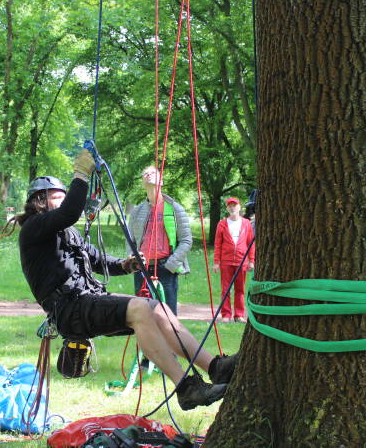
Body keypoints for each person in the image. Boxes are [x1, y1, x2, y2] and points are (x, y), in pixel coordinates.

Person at [13, 148, 235, 411]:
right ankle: (186, 388)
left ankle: (214, 367)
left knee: (158, 309)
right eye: (57, 198)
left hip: (87, 300)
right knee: (141, 309)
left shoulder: (67, 233)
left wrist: (125, 264)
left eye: (63, 198)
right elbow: (70, 212)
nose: (63, 202)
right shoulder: (34, 228)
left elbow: (97, 260)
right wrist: (80, 174)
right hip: (69, 310)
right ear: (40, 201)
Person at [127, 166, 192, 315]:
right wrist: (134, 261)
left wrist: (171, 264)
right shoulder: (137, 211)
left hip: (166, 268)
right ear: (143, 183)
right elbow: (130, 240)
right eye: (145, 173)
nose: (148, 175)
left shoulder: (175, 209)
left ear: (161, 181)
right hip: (141, 269)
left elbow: (186, 240)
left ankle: (170, 340)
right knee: (142, 316)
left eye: (152, 173)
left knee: (168, 317)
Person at [212, 197, 256, 323]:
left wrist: (251, 260)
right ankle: (226, 315)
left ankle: (239, 315)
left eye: (234, 205)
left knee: (240, 289)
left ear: (239, 207)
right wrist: (216, 262)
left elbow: (250, 244)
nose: (232, 208)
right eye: (230, 206)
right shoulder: (222, 224)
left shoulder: (246, 223)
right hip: (226, 261)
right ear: (227, 208)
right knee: (225, 289)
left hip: (242, 261)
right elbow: (217, 244)